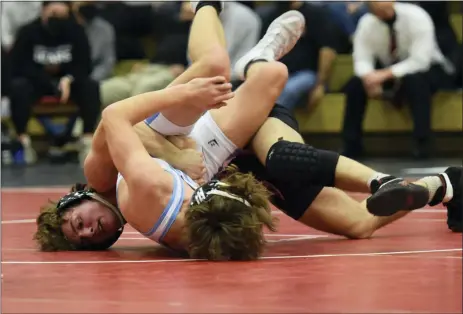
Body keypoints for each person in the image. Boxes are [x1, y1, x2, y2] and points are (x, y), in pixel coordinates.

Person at [35, 2, 306, 260]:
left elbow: (116, 123)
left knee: (214, 67)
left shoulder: (99, 174)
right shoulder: (139, 210)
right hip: (192, 165)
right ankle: (256, 59)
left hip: (168, 142)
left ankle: (205, 4)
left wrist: (175, 143)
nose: (90, 231)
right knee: (273, 76)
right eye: (87, 241)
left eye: (79, 223)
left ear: (75, 200)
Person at [9, 1, 100, 164]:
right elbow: (19, 65)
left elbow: (83, 64)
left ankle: (87, 140)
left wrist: (68, 79)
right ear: (43, 11)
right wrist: (46, 82)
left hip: (68, 83)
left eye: (61, 15)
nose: (57, 19)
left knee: (90, 86)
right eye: (53, 14)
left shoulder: (76, 31)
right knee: (18, 88)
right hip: (36, 81)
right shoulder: (28, 32)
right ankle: (23, 141)